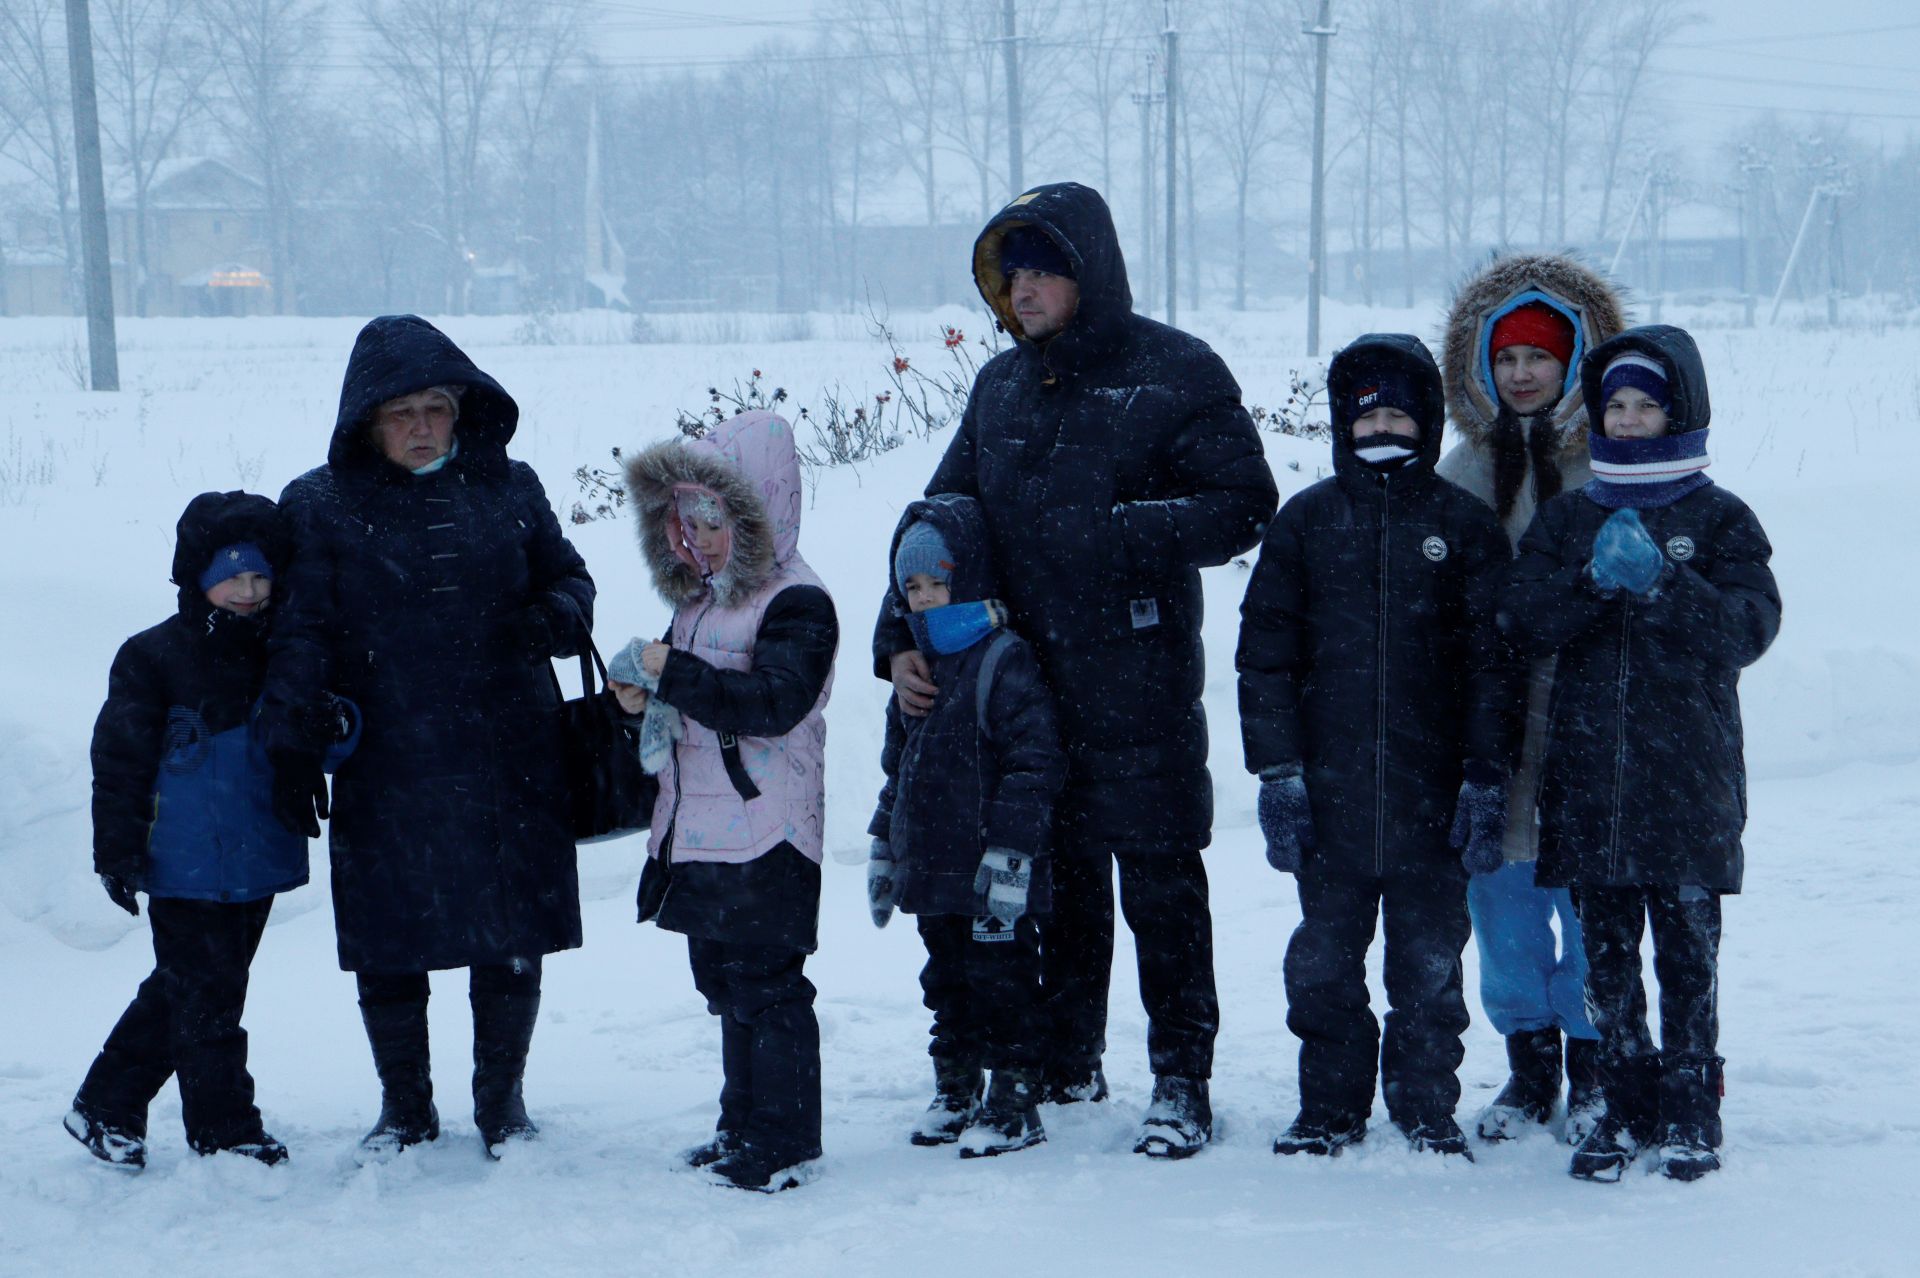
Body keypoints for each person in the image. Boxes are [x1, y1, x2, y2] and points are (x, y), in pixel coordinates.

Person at [873, 182, 1276, 1159]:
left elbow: (1244, 502)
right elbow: (943, 522)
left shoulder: (1173, 372)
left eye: (1041, 268)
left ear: (1088, 271)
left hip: (1138, 685)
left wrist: (1119, 534)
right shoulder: (1001, 389)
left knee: (1162, 891)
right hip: (1028, 692)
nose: (1024, 291)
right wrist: (900, 638)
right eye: (1009, 276)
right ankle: (1069, 1059)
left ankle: (1181, 1079)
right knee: (1059, 888)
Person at [262, 315, 594, 1164]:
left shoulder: (510, 487)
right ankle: (405, 1109)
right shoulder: (320, 503)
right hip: (388, 755)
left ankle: (502, 1106)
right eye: (400, 411)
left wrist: (552, 617)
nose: (419, 427)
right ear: (367, 421)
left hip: (506, 751)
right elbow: (300, 629)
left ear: (462, 411)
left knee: (510, 934)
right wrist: (295, 736)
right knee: (390, 938)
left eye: (436, 408)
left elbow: (569, 576)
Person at [1501, 325, 1780, 1182]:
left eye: (1645, 405)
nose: (1626, 420)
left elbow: (1748, 630)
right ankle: (1622, 1108)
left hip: (1688, 783)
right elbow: (1524, 621)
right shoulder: (1569, 518)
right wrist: (1590, 582)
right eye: (1613, 405)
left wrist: (1665, 584)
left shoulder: (1722, 516)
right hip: (1589, 786)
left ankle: (1693, 1111)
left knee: (1689, 959)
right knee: (1608, 962)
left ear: (1679, 413)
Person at [1237, 335, 1518, 1159]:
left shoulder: (1462, 527)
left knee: (1429, 972)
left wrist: (1484, 777)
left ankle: (1426, 1107)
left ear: (1427, 421)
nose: (1383, 426)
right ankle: (1329, 1107)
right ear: (1342, 425)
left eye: (1399, 412)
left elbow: (1492, 668)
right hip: (1330, 804)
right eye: (1369, 415)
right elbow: (1265, 658)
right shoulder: (1309, 523)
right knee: (1322, 968)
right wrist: (1279, 774)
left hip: (1435, 806)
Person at [67, 491, 356, 1170]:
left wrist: (334, 726)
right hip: (185, 862)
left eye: (260, 577)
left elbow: (328, 745)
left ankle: (106, 1102)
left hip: (259, 855)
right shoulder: (153, 657)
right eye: (232, 577)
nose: (249, 593)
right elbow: (119, 761)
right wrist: (118, 847)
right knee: (210, 1000)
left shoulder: (289, 656)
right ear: (199, 581)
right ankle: (225, 1131)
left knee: (187, 987)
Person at [612, 409, 839, 1193]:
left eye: (717, 519)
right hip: (704, 826)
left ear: (760, 511)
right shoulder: (703, 598)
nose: (700, 536)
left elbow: (774, 703)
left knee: (768, 986)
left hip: (769, 831)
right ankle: (741, 1121)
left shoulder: (797, 602)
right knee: (726, 986)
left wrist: (673, 675)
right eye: (688, 520)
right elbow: (692, 690)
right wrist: (644, 697)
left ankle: (785, 1137)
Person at [1436, 253, 1626, 1143]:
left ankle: (1595, 1062)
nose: (1521, 374)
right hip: (1489, 719)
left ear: (1575, 362)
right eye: (1506, 358)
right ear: (1481, 367)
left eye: (1539, 358)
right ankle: (1528, 1068)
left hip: (1588, 713)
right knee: (1502, 898)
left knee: (1587, 896)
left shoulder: (1614, 463)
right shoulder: (1462, 469)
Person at [866, 495, 1065, 1158]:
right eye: (912, 586)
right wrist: (883, 844)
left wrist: (1011, 854)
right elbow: (901, 767)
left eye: (937, 582)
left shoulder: (1003, 659)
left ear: (970, 577)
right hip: (933, 866)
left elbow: (1034, 763)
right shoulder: (915, 667)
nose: (923, 598)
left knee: (1003, 983)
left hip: (990, 871)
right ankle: (955, 1089)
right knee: (946, 983)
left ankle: (1014, 1100)